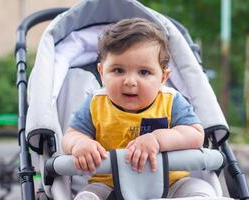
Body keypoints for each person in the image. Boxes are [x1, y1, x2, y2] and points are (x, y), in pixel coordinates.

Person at [62, 18, 217, 200]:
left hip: (171, 185)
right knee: (88, 195)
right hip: (110, 186)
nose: (130, 81)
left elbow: (195, 135)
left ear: (163, 77)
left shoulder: (171, 101)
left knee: (201, 189)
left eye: (144, 72)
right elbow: (70, 136)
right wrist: (80, 143)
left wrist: (157, 139)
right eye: (118, 70)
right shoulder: (95, 104)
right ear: (102, 73)